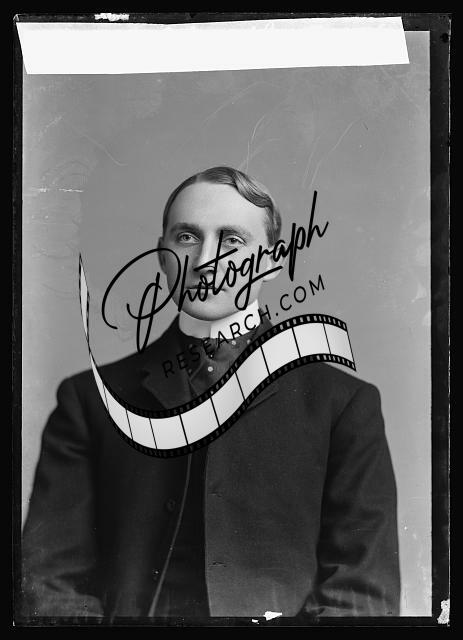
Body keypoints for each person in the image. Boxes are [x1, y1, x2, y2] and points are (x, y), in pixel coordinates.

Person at [21, 166, 400, 620]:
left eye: (232, 240)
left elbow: (362, 592)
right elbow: (50, 583)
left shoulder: (342, 404)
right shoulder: (90, 400)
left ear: (273, 262)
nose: (204, 260)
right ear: (162, 256)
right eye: (186, 237)